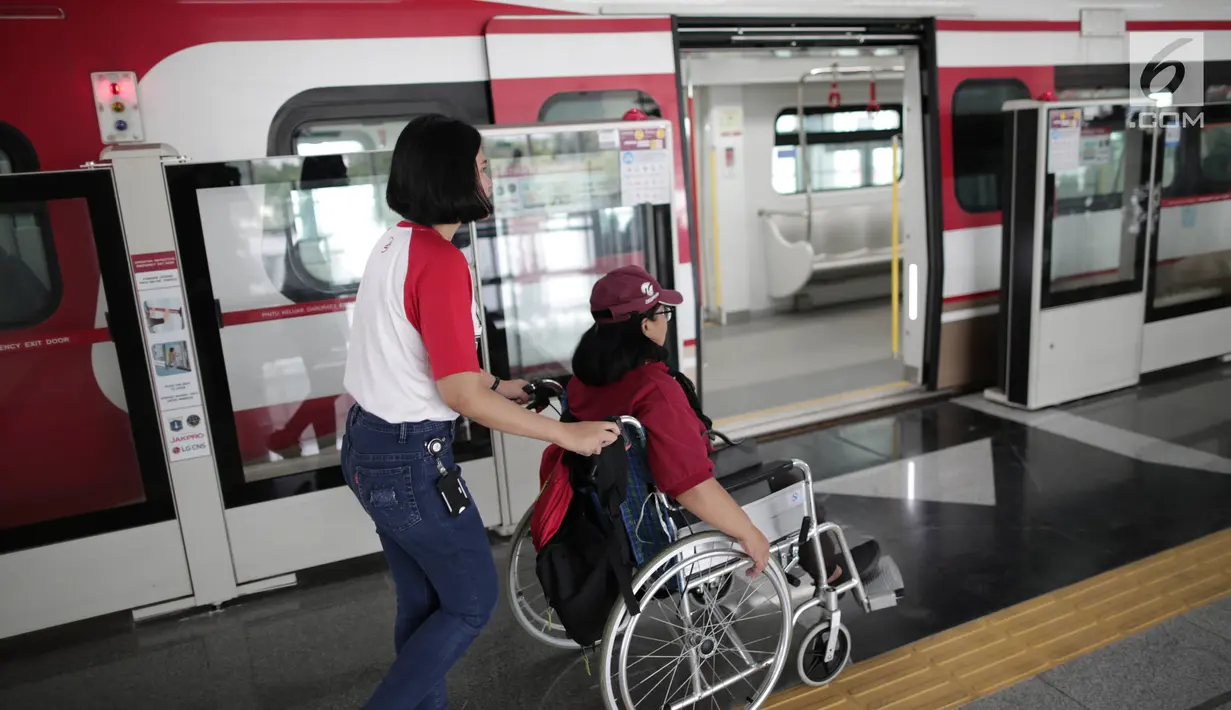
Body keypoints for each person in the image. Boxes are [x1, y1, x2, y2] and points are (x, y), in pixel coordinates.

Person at [339, 114, 620, 710]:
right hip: (412, 459)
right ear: (451, 175)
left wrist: (495, 382)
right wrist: (566, 435)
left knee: (423, 605)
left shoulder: (394, 243)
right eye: (482, 165)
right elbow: (460, 398)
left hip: (368, 445)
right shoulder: (441, 262)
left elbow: (423, 356)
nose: (490, 177)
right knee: (469, 604)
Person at [559, 265, 880, 583]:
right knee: (791, 476)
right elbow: (689, 486)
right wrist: (749, 533)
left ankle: (827, 563)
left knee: (749, 454)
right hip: (671, 508)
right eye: (663, 313)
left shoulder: (582, 383)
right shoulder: (654, 390)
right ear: (645, 327)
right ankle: (832, 572)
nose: (666, 321)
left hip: (628, 501)